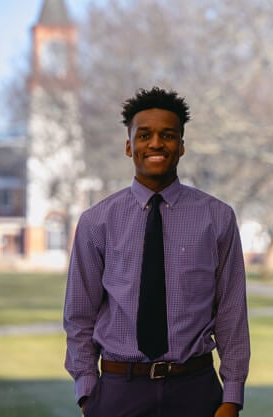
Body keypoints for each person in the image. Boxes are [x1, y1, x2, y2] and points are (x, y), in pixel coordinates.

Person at [64, 87, 250, 417]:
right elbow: (79, 316)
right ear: (128, 145)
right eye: (144, 135)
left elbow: (232, 313)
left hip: (195, 389)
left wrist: (232, 396)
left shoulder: (217, 217)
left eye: (168, 135)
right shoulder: (96, 222)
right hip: (119, 391)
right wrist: (88, 393)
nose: (155, 144)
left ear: (181, 146)